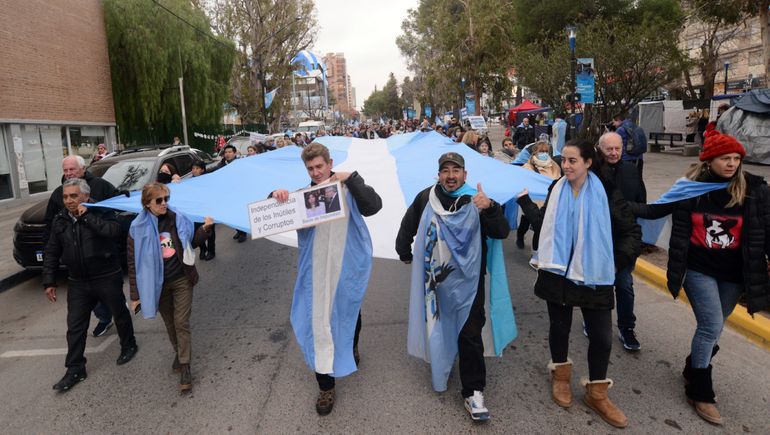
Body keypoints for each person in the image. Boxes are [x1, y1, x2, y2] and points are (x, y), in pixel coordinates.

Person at [628, 131, 770, 425]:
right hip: (697, 269)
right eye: (725, 158)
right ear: (709, 160)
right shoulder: (690, 189)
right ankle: (700, 391)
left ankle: (692, 367)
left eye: (736, 158)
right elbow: (653, 210)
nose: (731, 164)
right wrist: (613, 203)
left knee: (715, 328)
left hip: (734, 275)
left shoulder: (754, 190)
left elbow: (766, 229)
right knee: (710, 326)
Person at [516, 139, 640, 429]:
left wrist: (614, 263)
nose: (566, 166)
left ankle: (597, 394)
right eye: (564, 160)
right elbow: (542, 224)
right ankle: (560, 377)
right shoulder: (556, 188)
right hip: (558, 273)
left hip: (594, 276)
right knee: (559, 328)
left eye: (573, 161)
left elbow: (631, 232)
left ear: (588, 162)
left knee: (601, 337)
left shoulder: (606, 192)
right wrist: (524, 202)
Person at [395, 152, 510, 421]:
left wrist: (490, 208)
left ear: (464, 174)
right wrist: (404, 251)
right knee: (439, 327)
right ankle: (442, 368)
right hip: (436, 282)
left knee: (470, 332)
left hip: (470, 282)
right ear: (439, 175)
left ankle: (473, 391)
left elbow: (501, 232)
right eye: (445, 170)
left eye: (455, 170)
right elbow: (408, 224)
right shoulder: (427, 198)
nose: (450, 176)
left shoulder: (476, 199)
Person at [271, 143, 382, 416]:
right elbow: (272, 216)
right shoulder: (302, 197)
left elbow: (373, 206)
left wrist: (352, 178)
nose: (316, 172)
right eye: (310, 168)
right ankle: (326, 386)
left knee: (349, 314)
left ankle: (350, 345)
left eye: (319, 166)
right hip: (316, 272)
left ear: (330, 163)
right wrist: (274, 196)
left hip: (347, 268)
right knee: (319, 322)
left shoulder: (348, 187)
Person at [43, 178, 138, 392]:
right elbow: (52, 251)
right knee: (75, 326)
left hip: (106, 275)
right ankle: (75, 368)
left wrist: (87, 216)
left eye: (73, 196)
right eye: (65, 197)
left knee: (119, 313)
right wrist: (49, 280)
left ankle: (128, 345)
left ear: (85, 196)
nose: (69, 200)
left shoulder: (101, 210)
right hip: (78, 282)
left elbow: (113, 231)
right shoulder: (60, 219)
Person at [127, 182, 214, 393]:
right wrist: (135, 295)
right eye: (159, 200)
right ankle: (179, 352)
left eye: (166, 199)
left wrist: (204, 229)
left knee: (181, 322)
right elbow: (133, 263)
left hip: (182, 278)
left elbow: (190, 242)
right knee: (170, 323)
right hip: (157, 285)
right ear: (147, 203)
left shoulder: (177, 218)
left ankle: (185, 366)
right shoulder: (136, 228)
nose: (164, 203)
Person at [43, 155, 121, 338]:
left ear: (83, 169)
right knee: (84, 309)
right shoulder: (58, 193)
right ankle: (104, 318)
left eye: (72, 169)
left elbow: (116, 209)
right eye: (65, 170)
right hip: (77, 264)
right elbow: (50, 223)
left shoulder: (100, 185)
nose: (69, 173)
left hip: (104, 262)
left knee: (117, 306)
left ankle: (124, 334)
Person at [597, 132, 647, 351]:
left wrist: (628, 211)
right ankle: (595, 322)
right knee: (599, 285)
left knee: (624, 284)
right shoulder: (592, 172)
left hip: (625, 239)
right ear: (600, 149)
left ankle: (626, 327)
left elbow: (642, 201)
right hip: (598, 240)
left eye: (618, 148)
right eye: (609, 149)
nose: (614, 153)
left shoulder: (631, 170)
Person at [516, 141, 561, 249]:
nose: (544, 153)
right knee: (526, 222)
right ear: (535, 152)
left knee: (539, 228)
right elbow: (523, 182)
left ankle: (536, 252)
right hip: (532, 201)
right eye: (541, 151)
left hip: (547, 201)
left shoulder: (554, 166)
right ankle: (520, 236)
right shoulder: (528, 167)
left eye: (546, 151)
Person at [216, 145, 247, 243]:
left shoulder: (240, 163)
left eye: (230, 152)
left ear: (234, 153)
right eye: (226, 152)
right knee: (231, 215)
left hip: (239, 192)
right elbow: (212, 173)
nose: (227, 154)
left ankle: (243, 233)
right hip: (227, 193)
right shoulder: (221, 164)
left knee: (239, 213)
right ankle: (238, 230)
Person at [191, 161, 216, 261]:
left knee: (210, 230)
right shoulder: (189, 182)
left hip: (208, 209)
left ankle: (211, 251)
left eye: (197, 168)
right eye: (193, 168)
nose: (194, 170)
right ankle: (202, 249)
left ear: (202, 169)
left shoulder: (208, 179)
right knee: (198, 230)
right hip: (196, 211)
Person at [613, 114, 647, 180]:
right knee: (638, 179)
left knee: (627, 179)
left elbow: (614, 142)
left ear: (618, 120)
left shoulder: (621, 129)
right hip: (639, 158)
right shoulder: (636, 127)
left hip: (626, 158)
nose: (614, 124)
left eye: (614, 122)